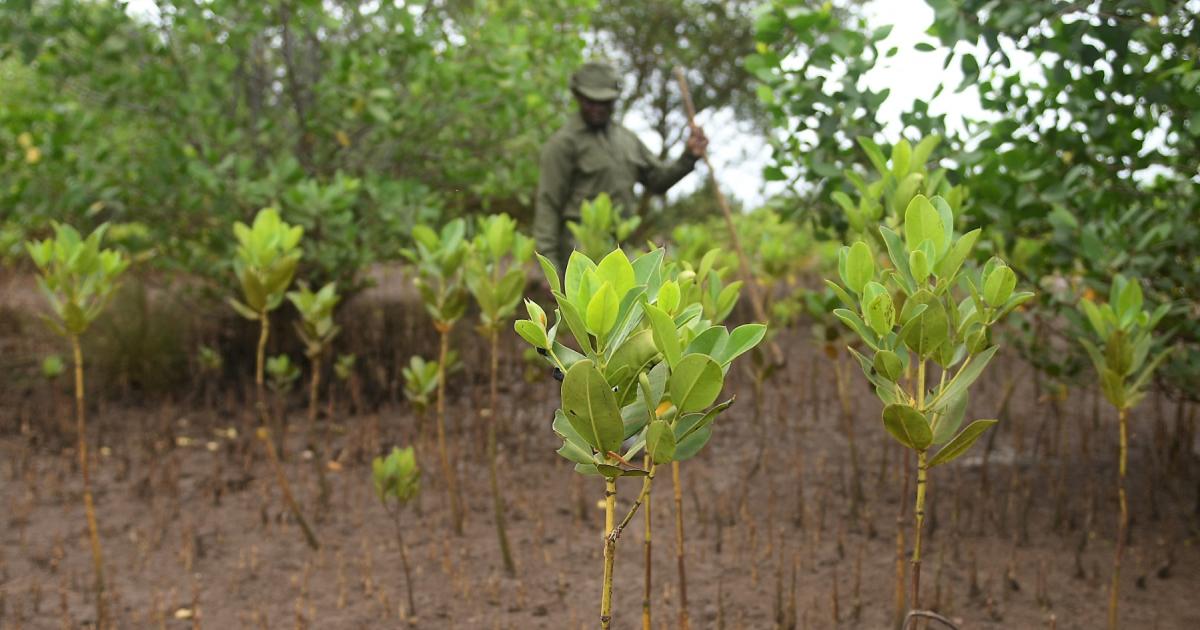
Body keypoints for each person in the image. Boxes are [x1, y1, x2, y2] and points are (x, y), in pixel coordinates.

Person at [533, 61, 709, 270]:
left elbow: (657, 181)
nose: (598, 108)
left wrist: (689, 157)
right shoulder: (563, 143)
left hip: (621, 249)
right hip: (578, 253)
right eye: (591, 101)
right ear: (578, 97)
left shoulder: (627, 139)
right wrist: (548, 265)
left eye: (605, 102)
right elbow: (548, 205)